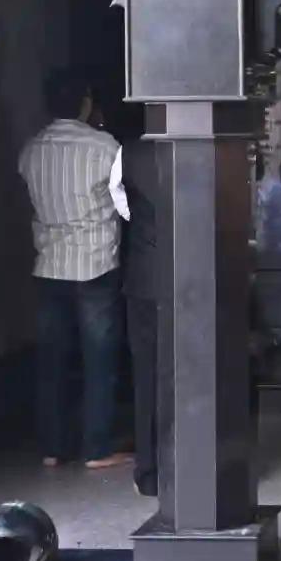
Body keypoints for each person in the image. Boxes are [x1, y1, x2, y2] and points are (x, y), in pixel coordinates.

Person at [18, 69, 132, 471]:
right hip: (96, 264)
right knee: (99, 359)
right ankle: (97, 448)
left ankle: (53, 446)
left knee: (52, 360)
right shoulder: (104, 147)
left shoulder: (31, 149)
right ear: (85, 101)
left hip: (49, 265)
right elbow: (126, 206)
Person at [120, 134, 161, 497]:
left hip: (145, 278)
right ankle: (198, 465)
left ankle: (149, 473)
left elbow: (124, 209)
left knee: (147, 377)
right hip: (197, 282)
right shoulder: (209, 144)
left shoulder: (129, 152)